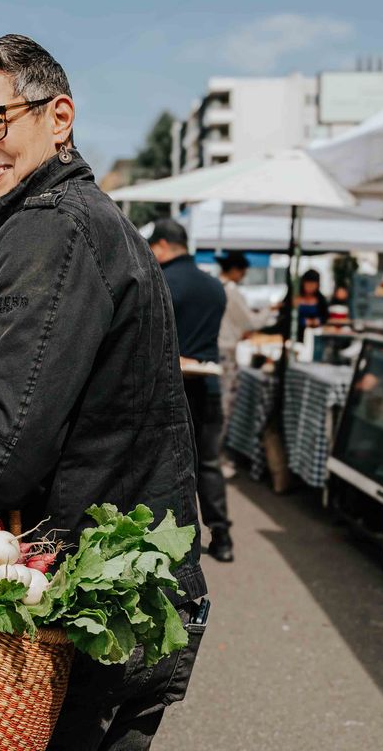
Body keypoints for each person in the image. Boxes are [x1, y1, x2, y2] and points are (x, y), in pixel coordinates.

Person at [0, 34, 208, 750]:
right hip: (127, 597)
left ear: (58, 117)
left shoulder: (48, 227)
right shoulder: (96, 219)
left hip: (84, 617)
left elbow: (1, 458)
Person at [149, 220, 232, 563]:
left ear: (164, 245)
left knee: (168, 468)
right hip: (209, 385)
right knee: (209, 464)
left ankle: (176, 547)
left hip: (171, 390)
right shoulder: (215, 286)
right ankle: (223, 537)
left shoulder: (161, 282)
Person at [217, 251, 256, 473]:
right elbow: (251, 321)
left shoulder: (213, 286)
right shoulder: (231, 291)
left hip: (212, 351)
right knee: (225, 407)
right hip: (227, 354)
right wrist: (272, 311)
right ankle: (217, 456)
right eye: (242, 272)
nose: (243, 276)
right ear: (235, 270)